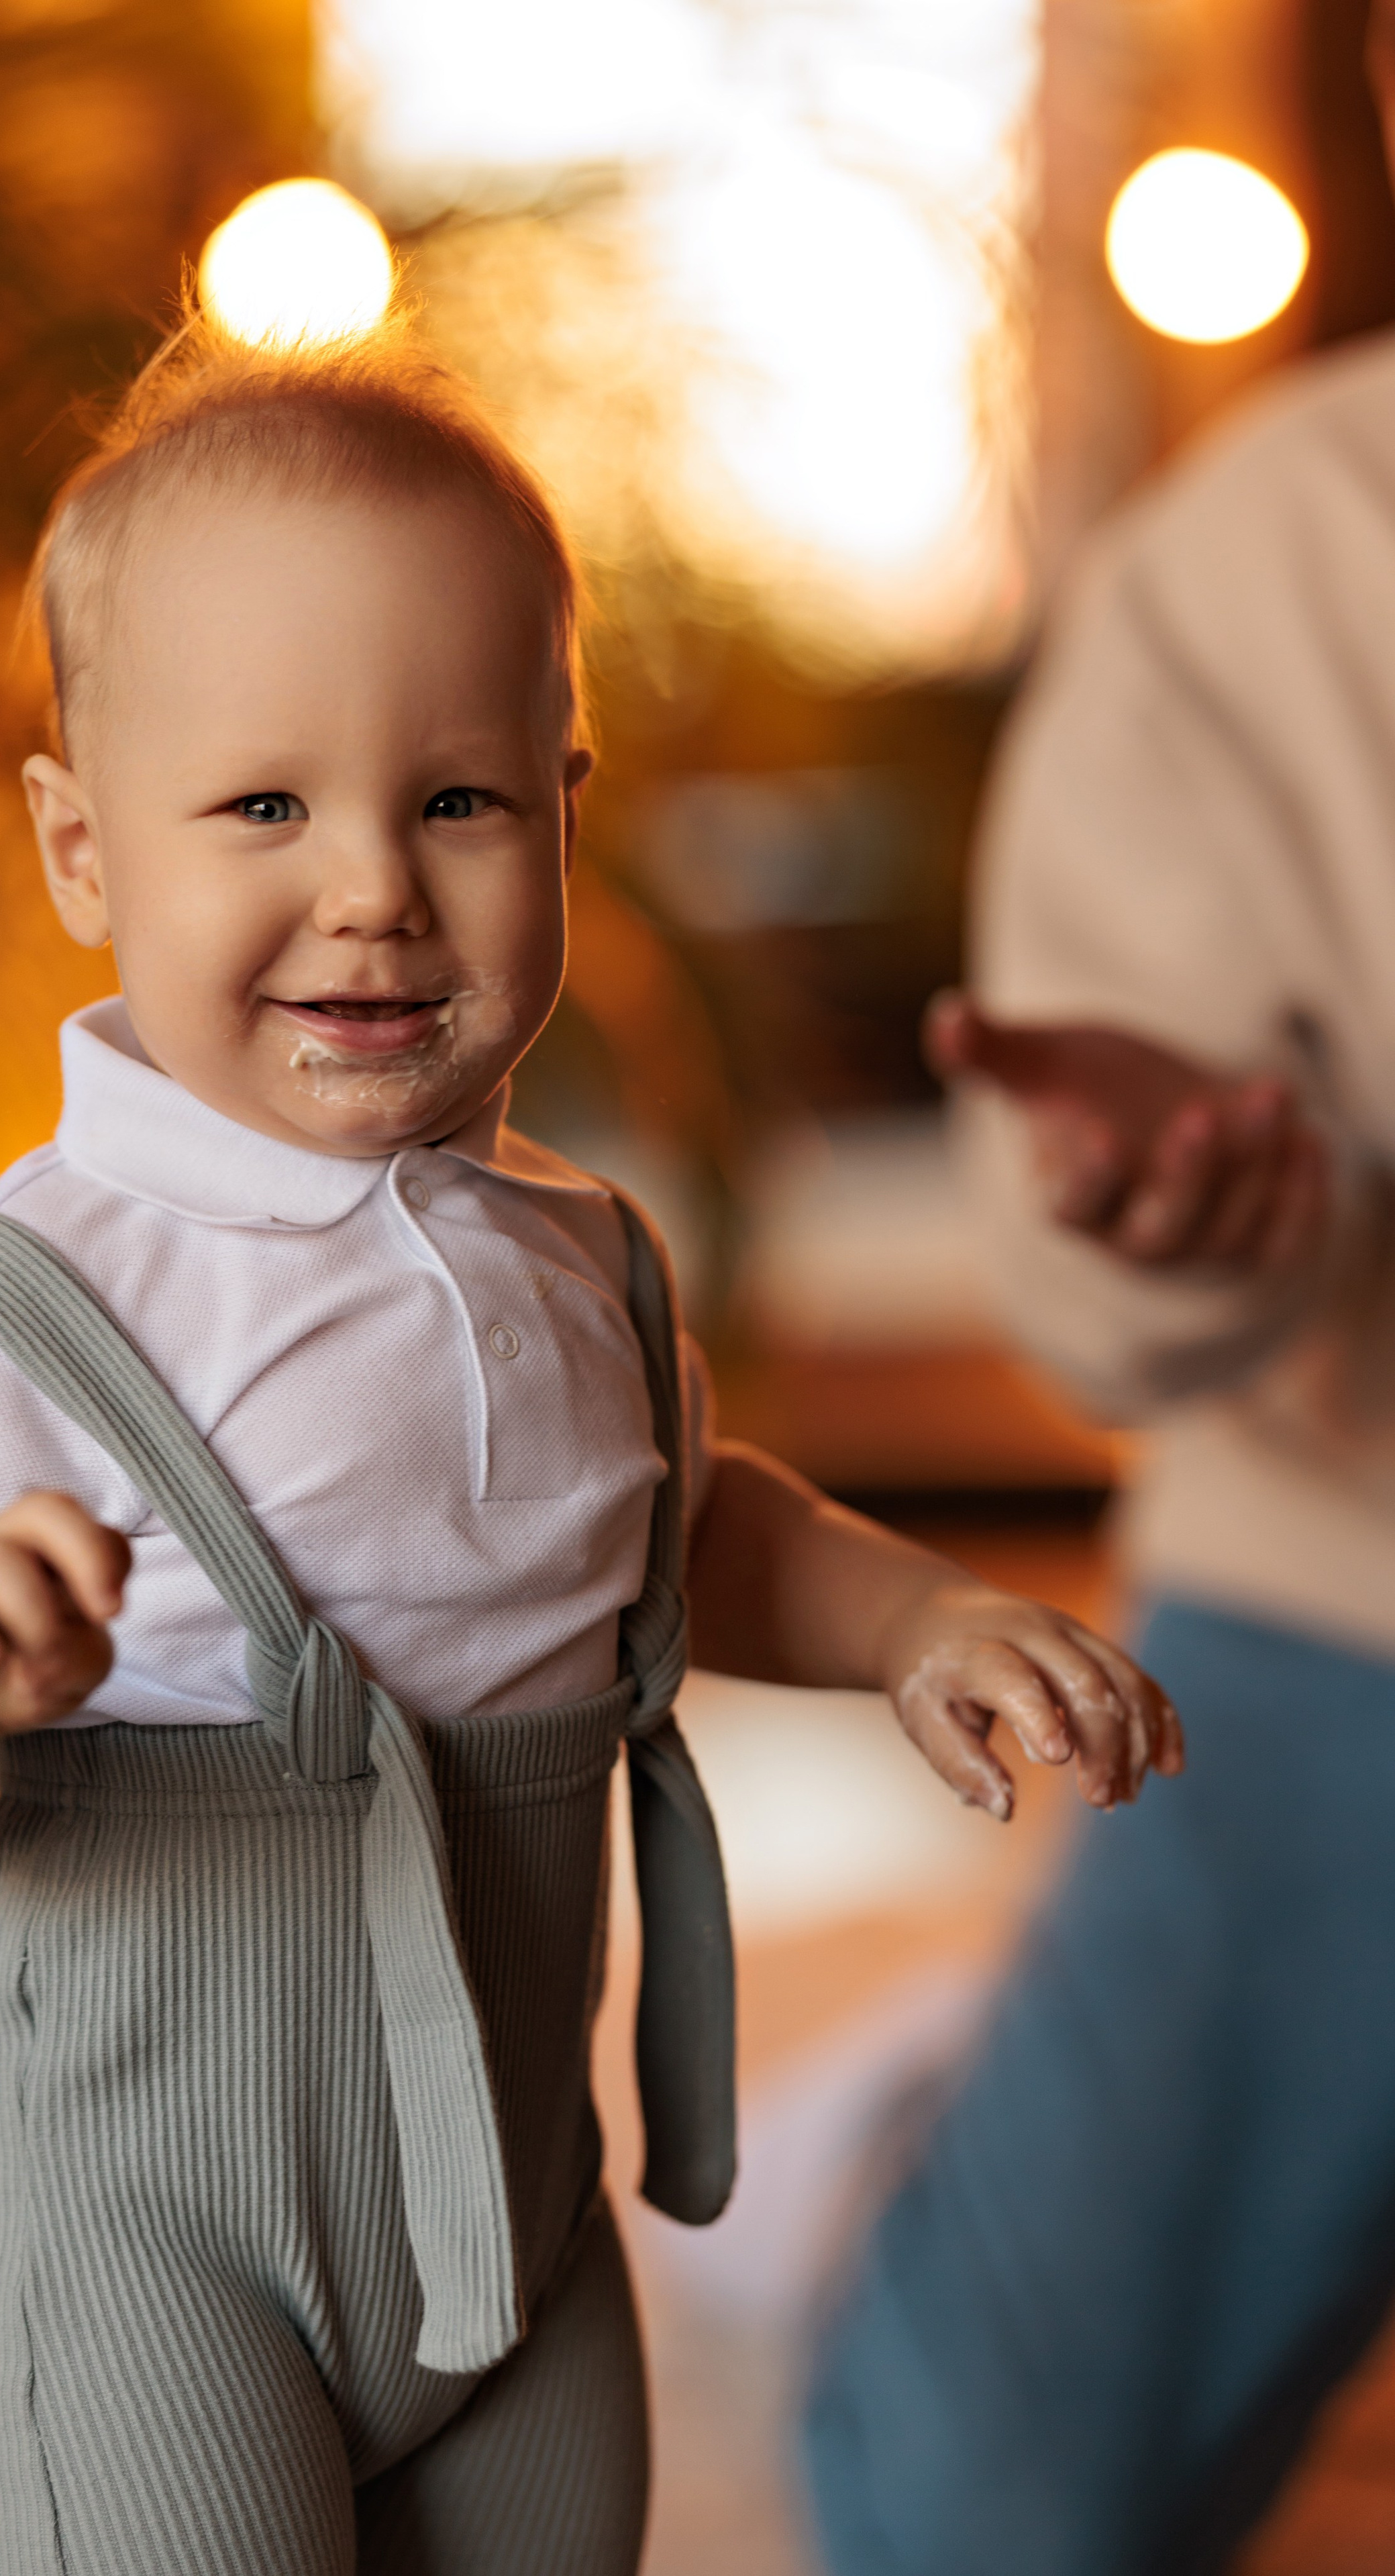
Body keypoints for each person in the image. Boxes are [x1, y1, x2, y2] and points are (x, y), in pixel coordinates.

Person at [0, 318, 1172, 2576]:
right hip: (128, 2200)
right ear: (83, 850)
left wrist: (929, 1613)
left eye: (461, 799)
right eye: (263, 807)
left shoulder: (581, 1254)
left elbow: (691, 1526)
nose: (377, 887)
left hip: (505, 2193)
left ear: (566, 816)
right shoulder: (26, 1296)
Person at [803, 29, 1395, 2563]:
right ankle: (907, 2135)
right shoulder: (1269, 566)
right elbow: (1094, 1247)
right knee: (978, 2507)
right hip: (1349, 1626)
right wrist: (1192, 1215)